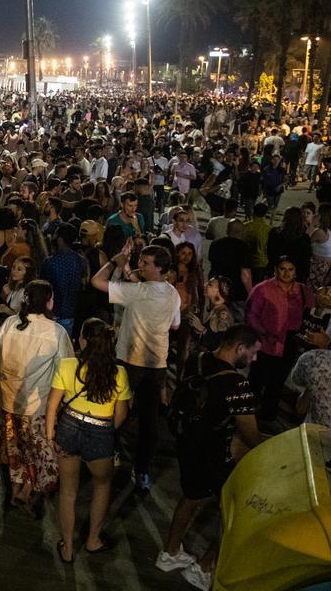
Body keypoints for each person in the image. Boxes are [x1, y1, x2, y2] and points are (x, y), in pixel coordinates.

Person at [157, 326, 264, 590]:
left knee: (191, 497)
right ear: (239, 348)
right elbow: (250, 435)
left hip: (187, 444)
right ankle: (204, 568)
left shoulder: (199, 358)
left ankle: (169, 553)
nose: (254, 360)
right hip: (217, 455)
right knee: (235, 513)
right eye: (252, 353)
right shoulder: (237, 385)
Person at [91, 243, 180, 491]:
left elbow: (97, 281)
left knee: (117, 410)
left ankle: (114, 452)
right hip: (156, 364)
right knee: (149, 421)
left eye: (146, 263)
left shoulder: (138, 291)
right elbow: (175, 325)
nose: (141, 265)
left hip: (129, 362)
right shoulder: (172, 293)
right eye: (140, 260)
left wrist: (115, 261)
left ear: (160, 268)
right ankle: (142, 470)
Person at [45, 318, 131, 562]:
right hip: (101, 431)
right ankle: (93, 539)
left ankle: (68, 548)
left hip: (69, 427)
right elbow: (122, 414)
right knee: (102, 486)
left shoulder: (68, 365)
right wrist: (104, 431)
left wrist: (51, 435)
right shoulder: (118, 373)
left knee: (68, 491)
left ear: (82, 340)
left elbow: (52, 404)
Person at [0, 279, 74, 511]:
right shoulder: (56, 332)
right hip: (39, 406)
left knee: (15, 447)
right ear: (49, 302)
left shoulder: (9, 324)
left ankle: (17, 487)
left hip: (9, 401)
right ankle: (30, 488)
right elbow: (65, 370)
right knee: (38, 450)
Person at [245, 256, 313, 420]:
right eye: (283, 268)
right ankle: (244, 413)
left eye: (290, 269)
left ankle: (268, 415)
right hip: (265, 342)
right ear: (275, 270)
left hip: (290, 342)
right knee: (256, 378)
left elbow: (310, 312)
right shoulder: (263, 289)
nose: (286, 273)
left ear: (295, 272)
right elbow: (251, 314)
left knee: (277, 380)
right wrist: (263, 332)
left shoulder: (303, 290)